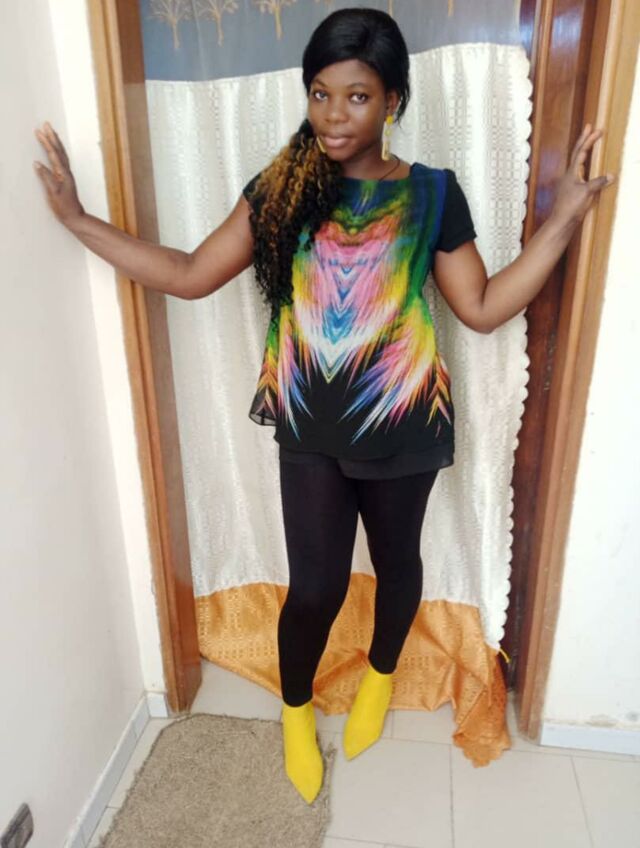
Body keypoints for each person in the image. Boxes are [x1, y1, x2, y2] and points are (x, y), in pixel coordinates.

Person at [34, 7, 614, 806]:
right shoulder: (281, 189)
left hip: (405, 425)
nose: (335, 116)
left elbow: (481, 307)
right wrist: (75, 220)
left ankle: (379, 677)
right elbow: (189, 273)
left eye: (357, 97)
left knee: (400, 565)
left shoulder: (432, 194)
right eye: (320, 94)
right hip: (309, 429)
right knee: (314, 590)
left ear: (393, 101)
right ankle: (297, 711)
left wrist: (567, 218)